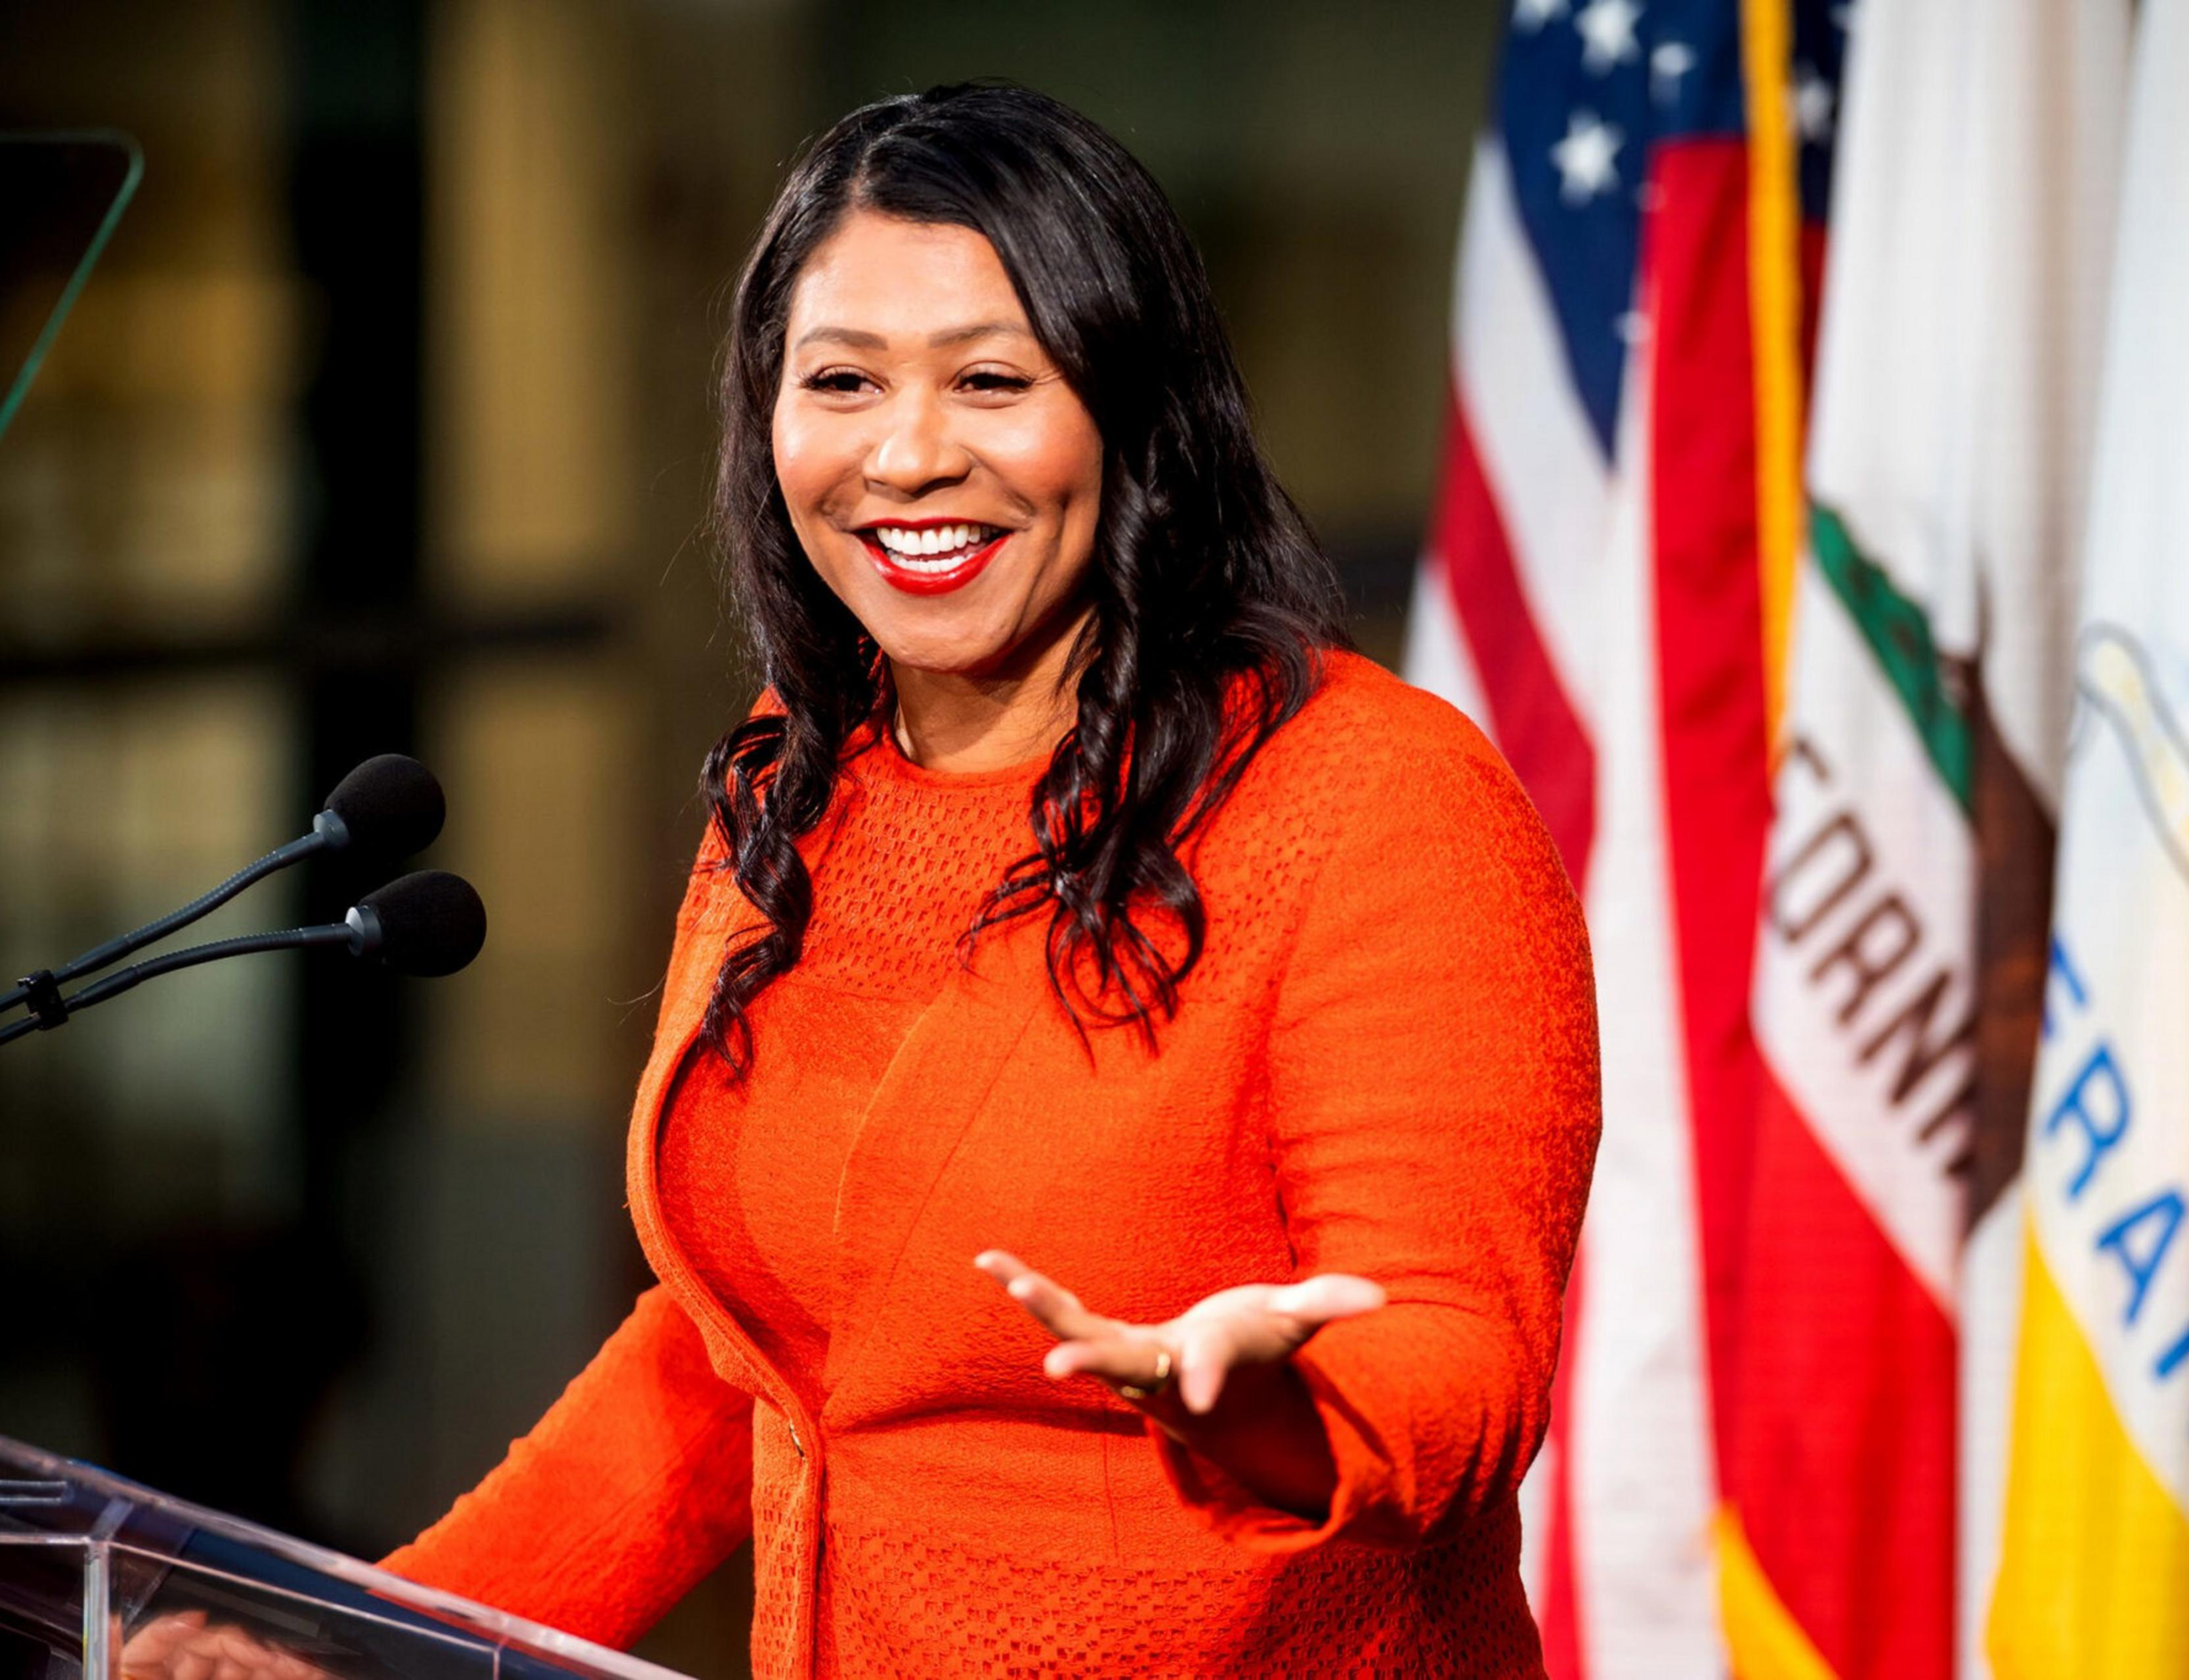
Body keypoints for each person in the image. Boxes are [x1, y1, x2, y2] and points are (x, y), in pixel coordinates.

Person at [379, 81, 1600, 1679]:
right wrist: (358, 1638)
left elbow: (1458, 1349)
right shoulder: (798, 772)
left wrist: (1271, 1408)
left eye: (989, 382)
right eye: (841, 382)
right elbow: (731, 1349)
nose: (907, 454)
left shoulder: (1375, 798)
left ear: (1135, 411)